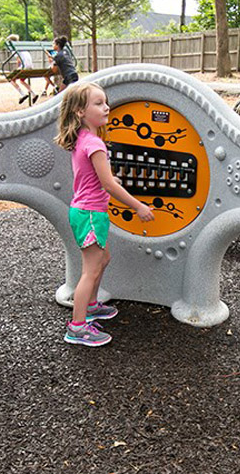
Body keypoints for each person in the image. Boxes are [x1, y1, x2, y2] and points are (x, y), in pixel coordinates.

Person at [54, 82, 155, 346]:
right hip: (90, 213)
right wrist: (138, 206)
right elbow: (107, 184)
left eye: (105, 101)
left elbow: (96, 177)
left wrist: (109, 180)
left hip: (86, 211)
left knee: (103, 259)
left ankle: (91, 305)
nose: (106, 107)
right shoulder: (95, 143)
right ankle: (77, 327)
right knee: (90, 270)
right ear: (80, 111)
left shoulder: (83, 139)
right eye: (98, 103)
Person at [6, 34, 39, 105]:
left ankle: (22, 94)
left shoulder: (14, 48)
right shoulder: (22, 46)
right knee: (22, 81)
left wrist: (17, 68)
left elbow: (18, 61)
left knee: (11, 79)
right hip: (30, 67)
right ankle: (33, 94)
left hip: (24, 66)